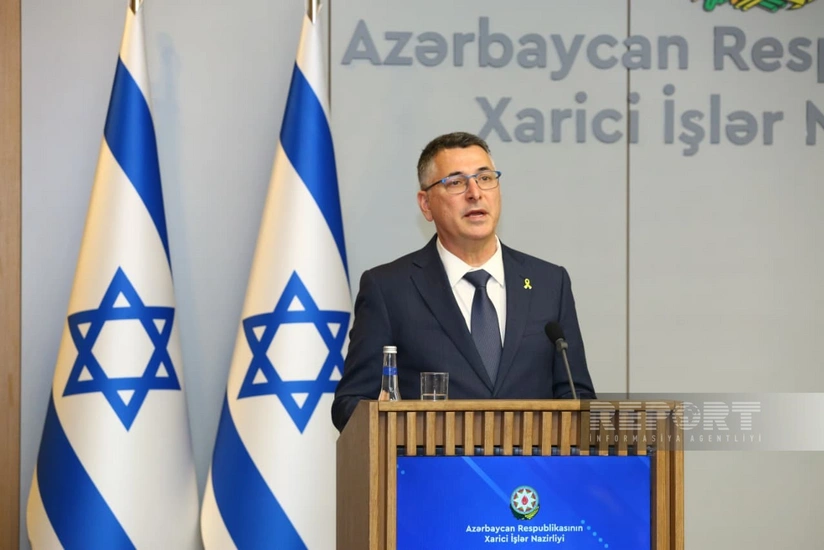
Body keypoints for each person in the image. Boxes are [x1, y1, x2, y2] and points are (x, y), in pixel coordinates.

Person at [332, 132, 596, 432]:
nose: (475, 193)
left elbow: (577, 396)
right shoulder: (389, 289)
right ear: (426, 204)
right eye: (456, 182)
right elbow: (349, 404)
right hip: (431, 461)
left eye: (485, 178)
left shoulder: (549, 283)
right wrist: (397, 423)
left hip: (531, 463)